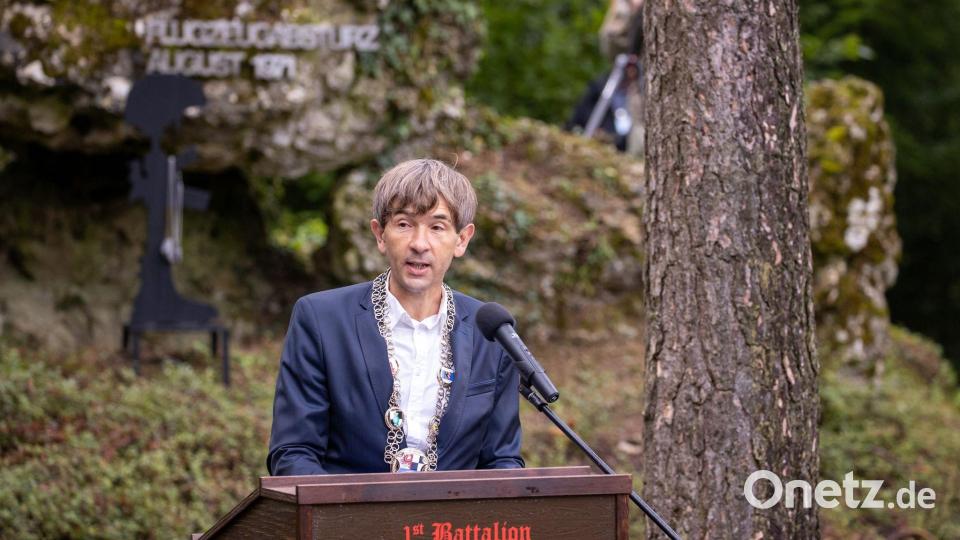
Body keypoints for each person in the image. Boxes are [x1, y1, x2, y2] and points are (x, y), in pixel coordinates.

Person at [267, 159, 524, 475]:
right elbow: (294, 453)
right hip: (347, 517)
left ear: (462, 239)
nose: (419, 243)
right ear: (379, 234)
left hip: (452, 522)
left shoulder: (492, 333)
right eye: (404, 224)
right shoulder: (321, 320)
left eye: (437, 227)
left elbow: (502, 462)